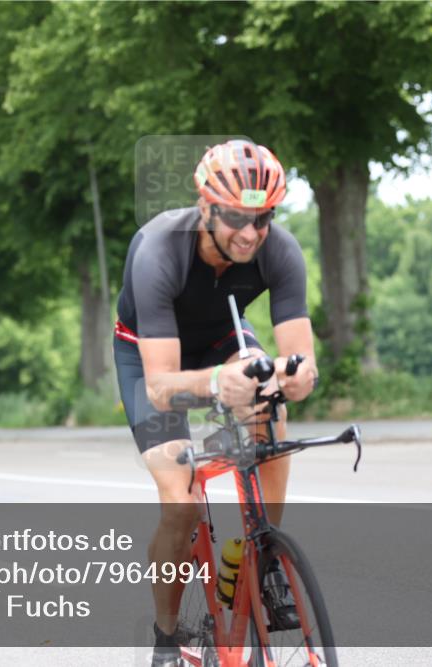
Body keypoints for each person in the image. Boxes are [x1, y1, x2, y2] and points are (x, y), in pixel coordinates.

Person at [113, 140, 319, 666]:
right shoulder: (158, 248)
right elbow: (160, 387)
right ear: (206, 206)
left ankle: (264, 552)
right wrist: (216, 385)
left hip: (223, 336)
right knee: (179, 501)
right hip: (148, 354)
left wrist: (293, 379)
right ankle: (165, 636)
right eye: (235, 218)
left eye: (263, 218)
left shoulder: (281, 250)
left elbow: (301, 362)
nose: (250, 233)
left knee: (272, 409)